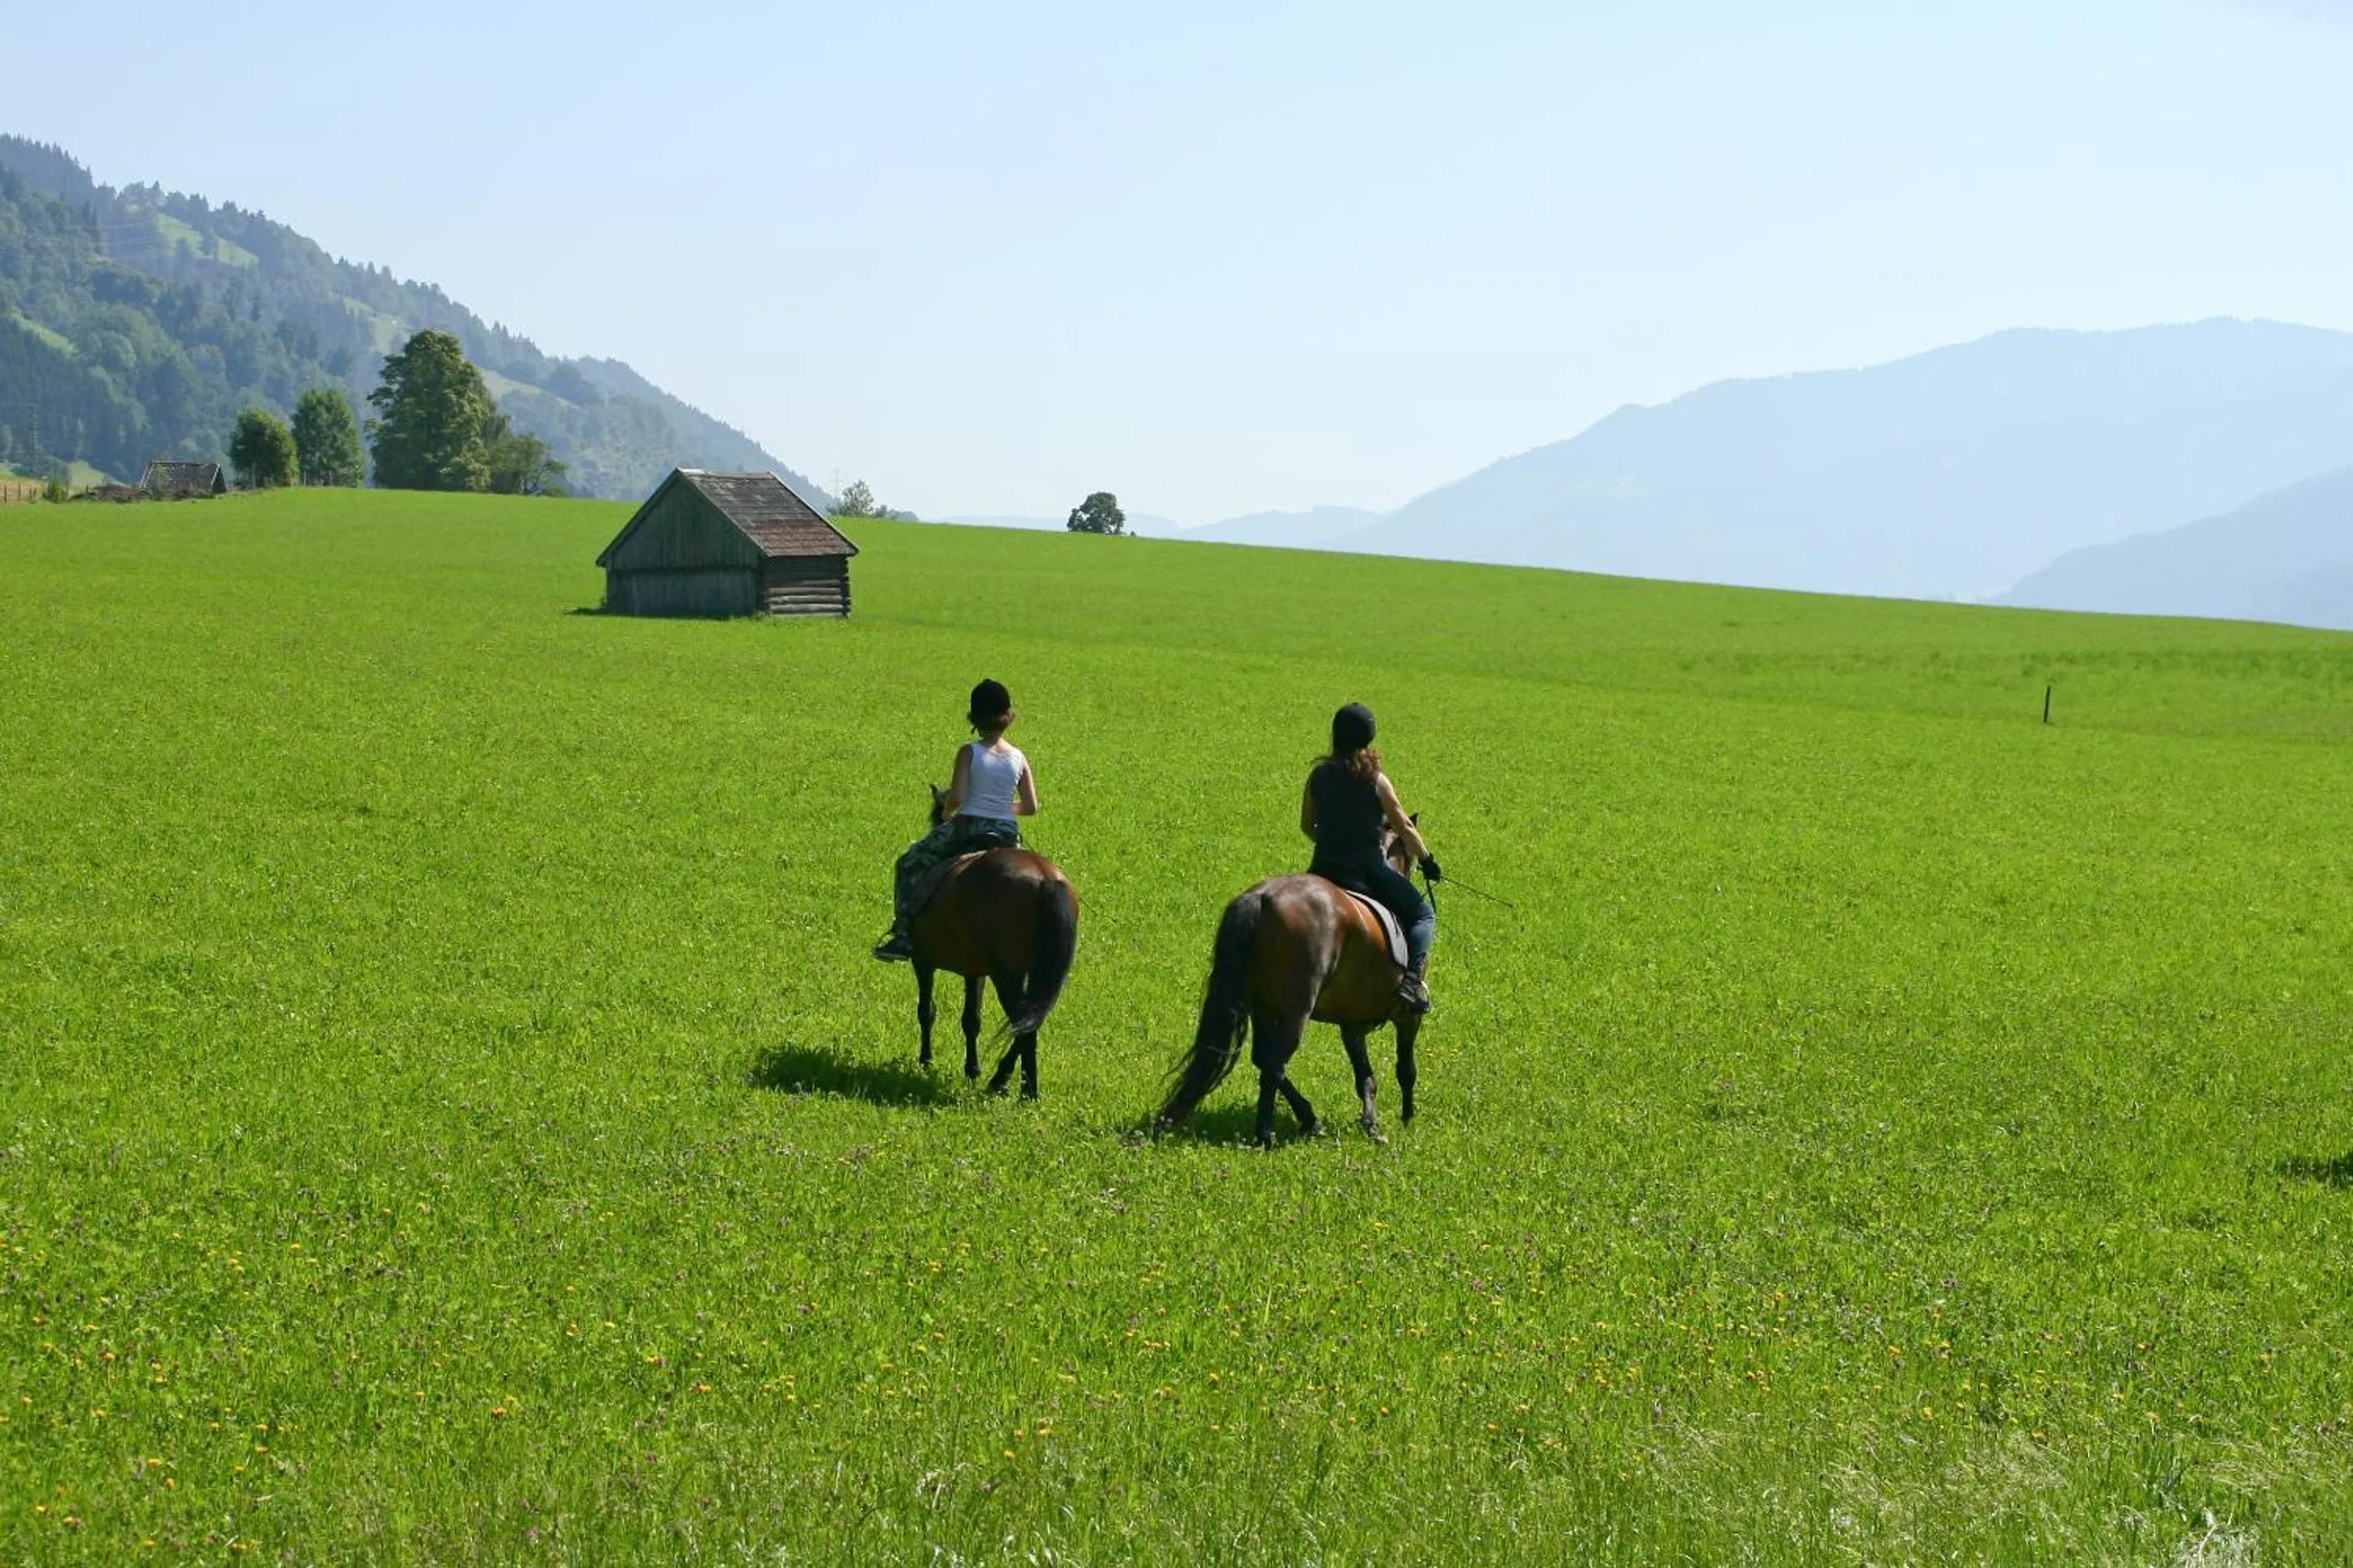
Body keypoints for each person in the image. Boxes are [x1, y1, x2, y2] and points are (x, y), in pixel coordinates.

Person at [873, 679, 1040, 961]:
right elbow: (1031, 807)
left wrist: (948, 809)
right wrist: (1000, 807)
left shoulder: (969, 752)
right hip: (1006, 834)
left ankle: (902, 935)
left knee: (908, 863)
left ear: (973, 718)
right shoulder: (1019, 757)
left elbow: (957, 797)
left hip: (967, 826)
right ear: (1009, 717)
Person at [1301, 702, 1441, 1011]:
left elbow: (1306, 825)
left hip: (1322, 866)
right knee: (1423, 915)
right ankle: (1413, 984)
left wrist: (1330, 841)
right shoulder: (1376, 780)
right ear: (1368, 738)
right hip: (1366, 870)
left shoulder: (1318, 776)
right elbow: (1403, 825)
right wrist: (1427, 860)